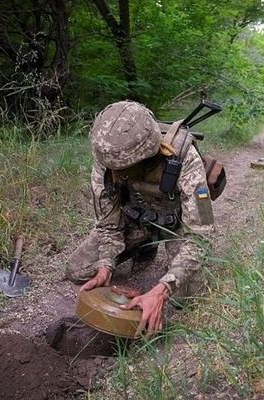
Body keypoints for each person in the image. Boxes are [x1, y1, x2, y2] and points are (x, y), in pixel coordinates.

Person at [65, 100, 215, 336]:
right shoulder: (107, 158)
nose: (115, 173)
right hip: (135, 220)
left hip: (175, 226)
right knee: (79, 269)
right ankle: (143, 246)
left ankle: (152, 247)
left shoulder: (186, 157)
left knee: (187, 298)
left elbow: (201, 236)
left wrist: (163, 289)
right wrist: (106, 264)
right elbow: (107, 224)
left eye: (124, 167)